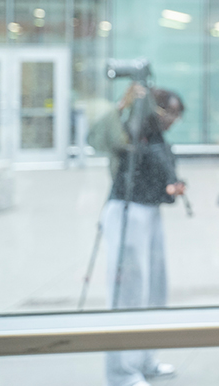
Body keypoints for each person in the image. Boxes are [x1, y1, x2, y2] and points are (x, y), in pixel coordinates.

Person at [88, 83, 185, 386]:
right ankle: (121, 373)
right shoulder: (129, 124)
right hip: (127, 209)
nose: (172, 121)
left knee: (154, 288)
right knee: (127, 293)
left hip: (150, 210)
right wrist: (122, 104)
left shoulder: (156, 136)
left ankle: (144, 360)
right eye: (170, 113)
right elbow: (96, 139)